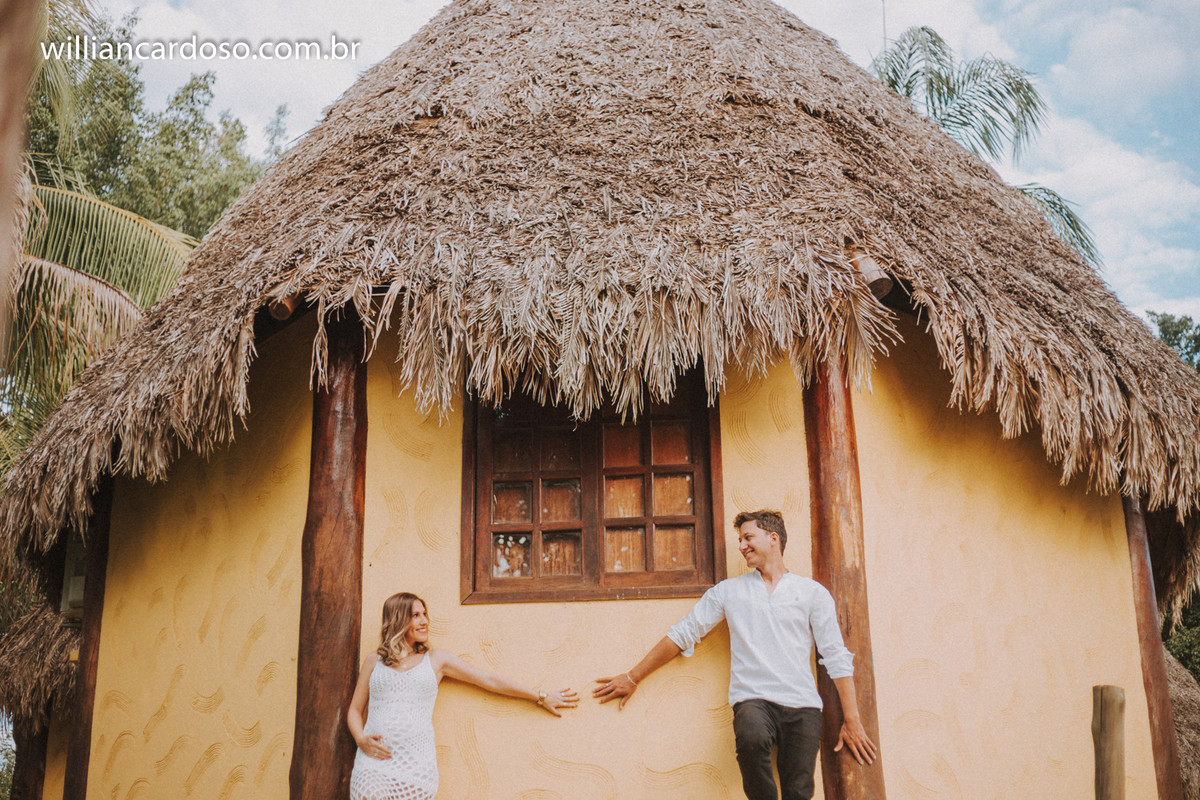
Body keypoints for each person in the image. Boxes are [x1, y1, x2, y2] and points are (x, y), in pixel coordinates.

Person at [593, 510, 877, 800]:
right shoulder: (729, 592)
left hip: (802, 705)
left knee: (799, 791)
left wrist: (851, 719)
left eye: (748, 537)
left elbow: (835, 656)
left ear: (773, 538)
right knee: (751, 739)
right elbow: (683, 633)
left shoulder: (812, 593)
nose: (741, 545)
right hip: (753, 699)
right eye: (740, 539)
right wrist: (633, 676)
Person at [348, 592, 578, 800]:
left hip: (415, 767)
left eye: (425, 614)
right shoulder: (373, 662)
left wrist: (539, 696)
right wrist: (360, 739)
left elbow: (488, 680)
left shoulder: (437, 660)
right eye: (416, 615)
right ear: (398, 620)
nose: (424, 621)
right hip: (374, 763)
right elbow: (355, 711)